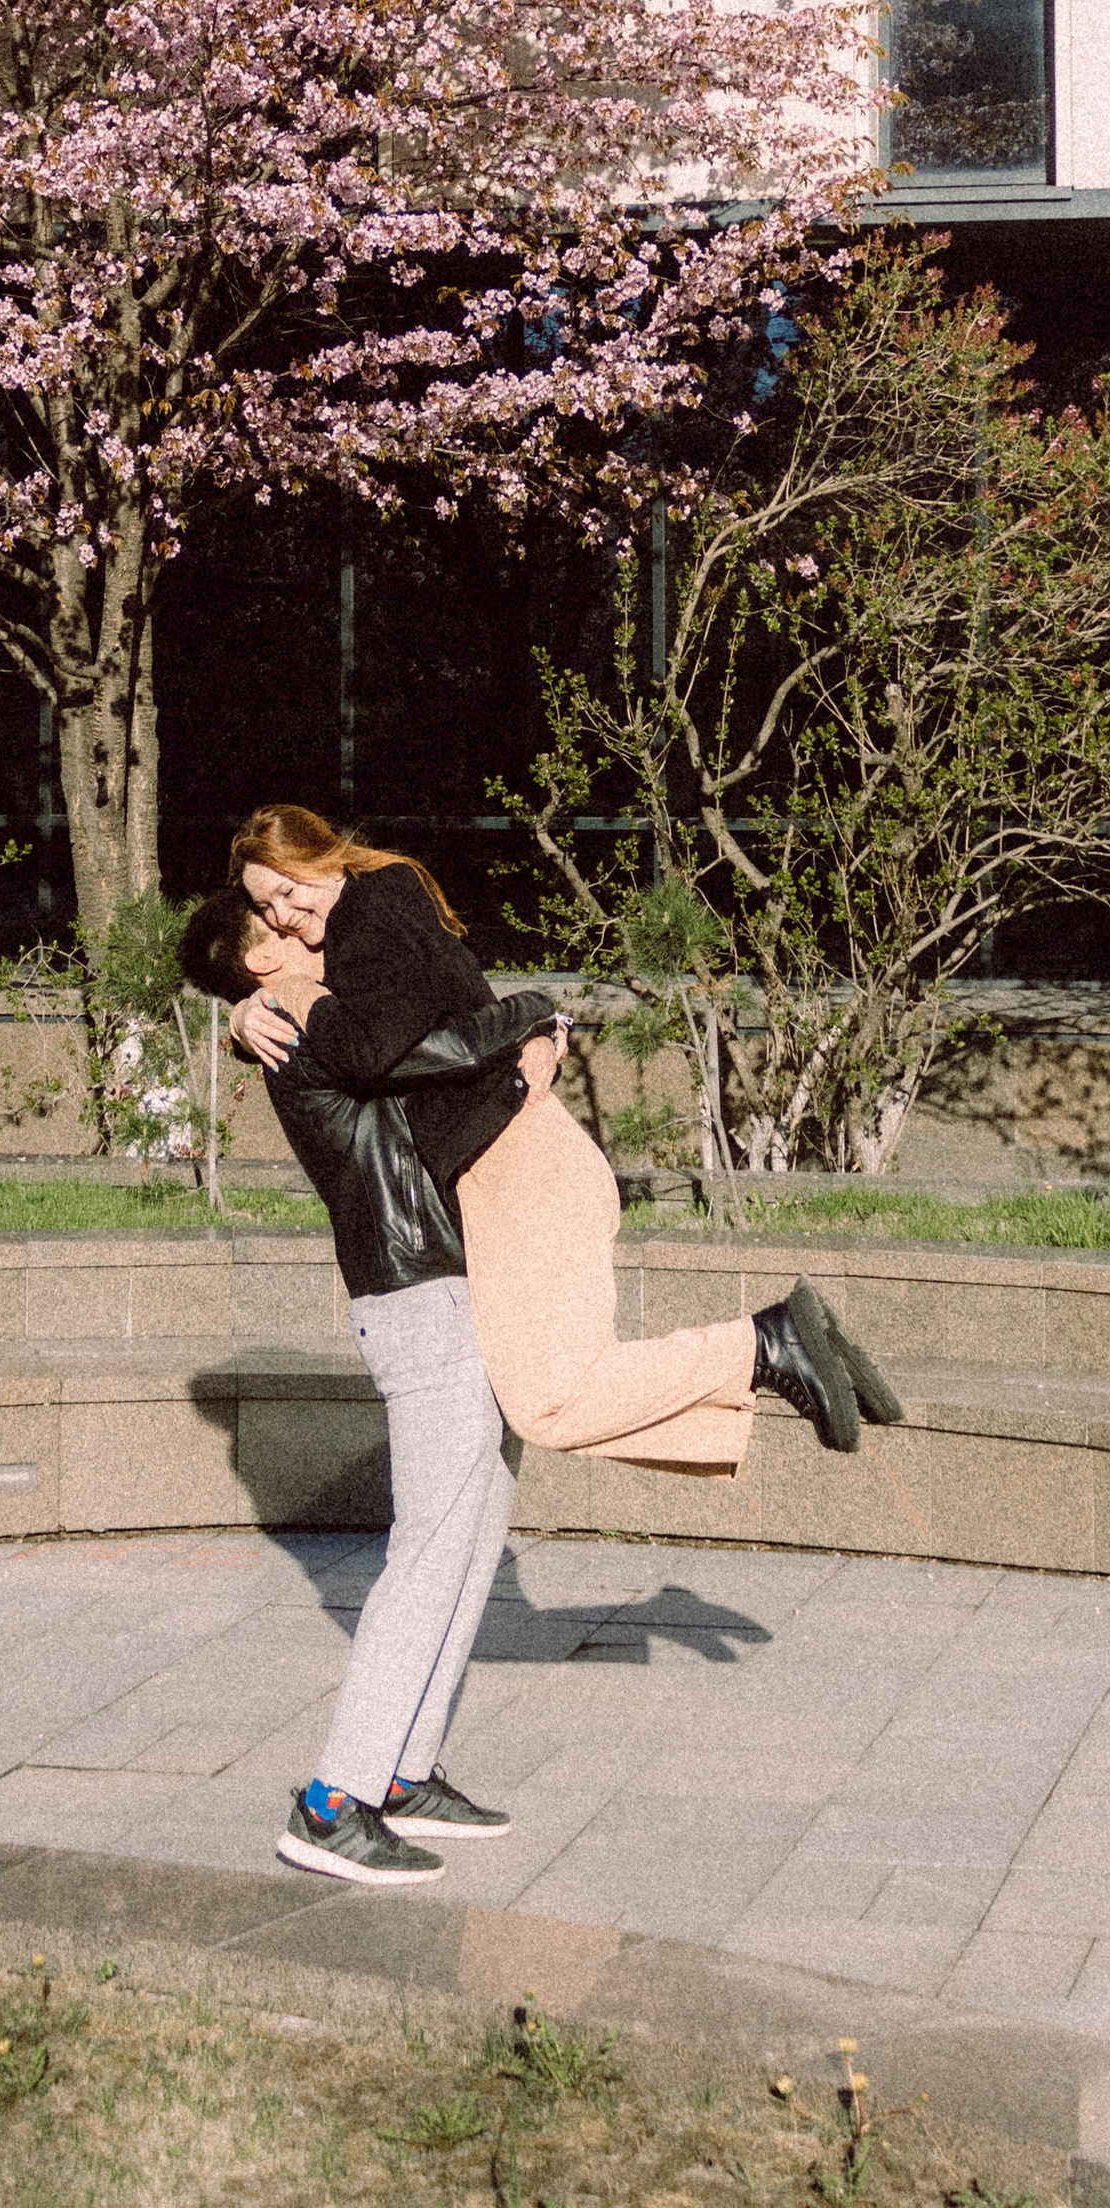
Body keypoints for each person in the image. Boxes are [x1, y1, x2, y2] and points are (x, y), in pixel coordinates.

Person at [224, 803, 903, 1473]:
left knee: (546, 1403)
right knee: (542, 1400)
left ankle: (765, 1347)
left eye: (288, 889)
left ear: (322, 856)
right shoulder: (363, 930)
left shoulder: (370, 913)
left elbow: (366, 1051)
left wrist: (288, 992)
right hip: (507, 1167)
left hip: (520, 1162)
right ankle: (777, 1355)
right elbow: (420, 1033)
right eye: (268, 908)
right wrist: (247, 1012)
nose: (285, 914)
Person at [179, 880, 562, 1890]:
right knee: (430, 1548)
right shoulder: (301, 1033)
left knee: (475, 1532)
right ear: (261, 961)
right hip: (415, 1296)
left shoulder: (294, 1018)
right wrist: (535, 1020)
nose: (314, 930)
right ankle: (330, 1801)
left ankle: (401, 1772)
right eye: (286, 925)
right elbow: (432, 1052)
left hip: (448, 1279)